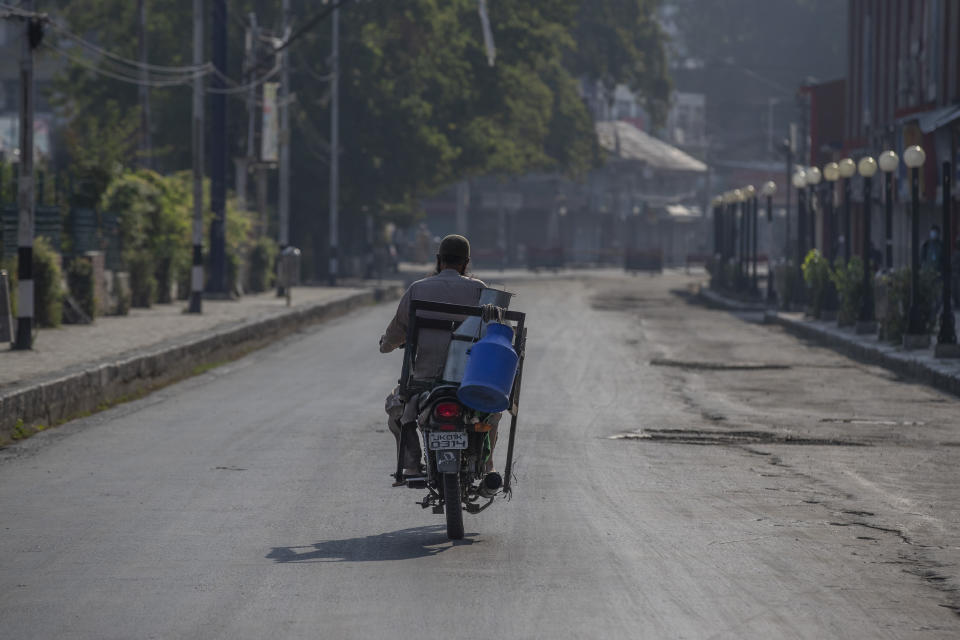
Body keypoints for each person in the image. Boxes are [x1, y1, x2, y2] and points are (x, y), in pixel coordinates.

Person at [380, 234, 488, 482]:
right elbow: (492, 332)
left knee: (397, 409)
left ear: (439, 260)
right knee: (491, 413)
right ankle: (487, 464)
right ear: (466, 262)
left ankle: (411, 466)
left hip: (423, 382)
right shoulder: (480, 289)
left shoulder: (418, 288)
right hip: (468, 381)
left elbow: (395, 334)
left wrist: (386, 345)